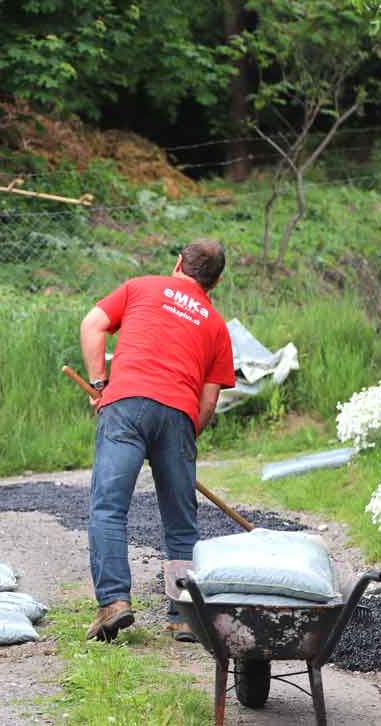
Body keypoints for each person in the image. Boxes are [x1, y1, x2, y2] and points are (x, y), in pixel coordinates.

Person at [78, 239, 236, 642]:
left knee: (109, 508)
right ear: (215, 282)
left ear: (178, 263)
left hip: (126, 403)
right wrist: (182, 439)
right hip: (179, 415)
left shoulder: (140, 287)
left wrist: (100, 384)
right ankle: (183, 616)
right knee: (181, 522)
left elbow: (92, 324)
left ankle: (114, 603)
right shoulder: (217, 325)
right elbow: (209, 401)